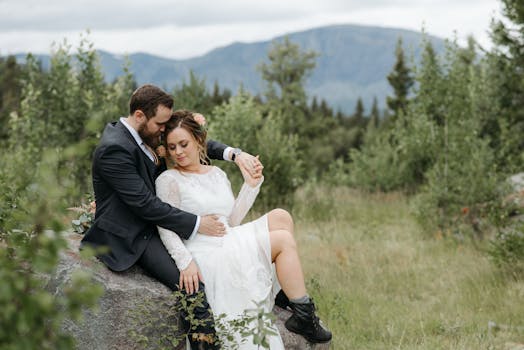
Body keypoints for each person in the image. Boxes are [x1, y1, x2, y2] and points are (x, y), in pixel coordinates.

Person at [81, 84, 262, 349]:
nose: (164, 131)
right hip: (133, 232)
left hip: (156, 224)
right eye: (161, 124)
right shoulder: (114, 148)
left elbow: (191, 142)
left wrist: (233, 154)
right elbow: (145, 205)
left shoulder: (143, 135)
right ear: (141, 116)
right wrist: (198, 224)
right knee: (193, 286)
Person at [155, 110, 332, 348]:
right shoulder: (168, 180)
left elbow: (232, 220)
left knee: (281, 216)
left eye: (183, 144)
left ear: (199, 140)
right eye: (172, 146)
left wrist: (251, 185)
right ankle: (303, 312)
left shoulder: (216, 173)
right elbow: (165, 226)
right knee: (281, 240)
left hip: (228, 237)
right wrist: (184, 261)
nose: (178, 152)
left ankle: (286, 296)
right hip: (205, 251)